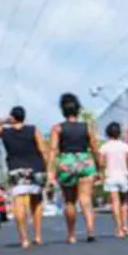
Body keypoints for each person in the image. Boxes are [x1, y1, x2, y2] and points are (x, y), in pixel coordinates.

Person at [0, 106, 49, 249]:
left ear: (12, 117)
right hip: (36, 168)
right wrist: (47, 169)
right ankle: (38, 236)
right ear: (24, 117)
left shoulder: (6, 132)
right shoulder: (33, 130)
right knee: (37, 201)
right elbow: (42, 149)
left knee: (19, 202)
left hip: (16, 170)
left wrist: (4, 120)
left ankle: (24, 239)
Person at [48, 93, 100, 244]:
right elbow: (95, 148)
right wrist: (100, 167)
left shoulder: (57, 129)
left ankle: (71, 235)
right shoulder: (87, 127)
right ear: (78, 109)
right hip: (85, 162)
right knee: (86, 199)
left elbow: (52, 150)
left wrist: (51, 172)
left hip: (66, 163)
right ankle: (90, 230)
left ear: (63, 110)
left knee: (69, 201)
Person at [98, 122, 128, 239]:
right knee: (124, 202)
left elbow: (101, 163)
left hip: (110, 176)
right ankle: (126, 226)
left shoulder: (104, 147)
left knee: (115, 202)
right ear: (119, 133)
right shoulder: (125, 146)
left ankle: (118, 229)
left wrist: (102, 172)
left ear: (107, 133)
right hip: (123, 176)